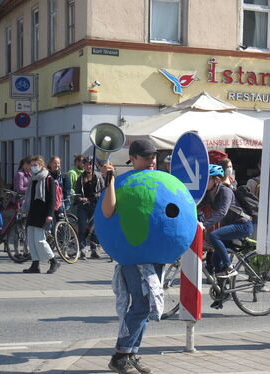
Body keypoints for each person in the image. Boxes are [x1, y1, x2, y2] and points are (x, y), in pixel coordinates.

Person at [101, 139, 162, 374]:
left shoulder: (158, 179)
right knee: (141, 306)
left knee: (145, 307)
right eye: (146, 157)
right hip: (135, 256)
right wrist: (110, 181)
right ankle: (121, 354)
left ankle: (131, 352)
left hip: (155, 254)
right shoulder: (123, 181)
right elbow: (108, 210)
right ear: (133, 158)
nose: (152, 161)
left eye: (153, 156)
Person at [200, 164, 253, 283]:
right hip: (230, 226)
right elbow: (198, 206)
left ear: (216, 180)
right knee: (214, 260)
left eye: (207, 179)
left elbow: (222, 212)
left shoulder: (225, 191)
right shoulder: (210, 193)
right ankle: (222, 291)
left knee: (214, 235)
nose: (204, 182)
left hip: (243, 225)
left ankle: (229, 267)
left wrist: (205, 225)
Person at [21, 155, 60, 274]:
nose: (33, 167)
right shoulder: (34, 179)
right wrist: (24, 208)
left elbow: (51, 199)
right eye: (32, 165)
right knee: (31, 239)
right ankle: (35, 264)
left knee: (40, 240)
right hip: (33, 212)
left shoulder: (48, 179)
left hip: (43, 214)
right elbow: (30, 198)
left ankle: (54, 261)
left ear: (41, 165)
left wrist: (49, 214)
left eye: (35, 165)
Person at [74, 157, 105, 259]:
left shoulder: (98, 176)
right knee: (82, 227)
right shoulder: (80, 178)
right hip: (83, 206)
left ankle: (94, 250)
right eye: (87, 164)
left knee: (94, 228)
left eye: (90, 164)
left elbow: (102, 190)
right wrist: (80, 198)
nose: (89, 166)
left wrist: (97, 197)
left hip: (95, 204)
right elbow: (77, 192)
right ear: (84, 165)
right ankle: (82, 250)